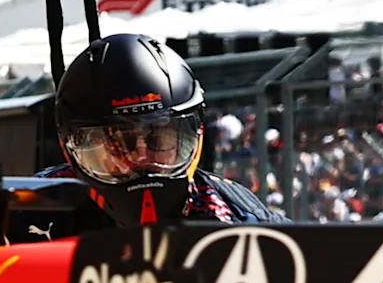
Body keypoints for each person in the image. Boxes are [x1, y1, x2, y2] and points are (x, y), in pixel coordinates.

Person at [46, 32, 283, 225]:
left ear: (194, 135)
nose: (141, 157)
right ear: (73, 148)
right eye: (117, 143)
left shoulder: (240, 221)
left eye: (158, 138)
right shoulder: (29, 214)